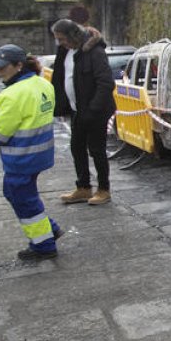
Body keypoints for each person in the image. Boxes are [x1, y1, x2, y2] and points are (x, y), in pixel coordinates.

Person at [0, 44, 63, 260]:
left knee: (20, 197)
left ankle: (44, 244)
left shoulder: (12, 95)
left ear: (18, 66)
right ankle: (50, 229)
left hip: (21, 157)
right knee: (24, 195)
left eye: (2, 67)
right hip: (41, 153)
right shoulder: (43, 84)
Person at [49, 18, 116, 205]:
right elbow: (61, 78)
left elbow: (106, 83)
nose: (59, 43)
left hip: (96, 111)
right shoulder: (66, 51)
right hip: (77, 109)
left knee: (97, 150)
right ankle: (84, 188)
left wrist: (93, 109)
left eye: (61, 39)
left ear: (72, 36)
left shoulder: (94, 51)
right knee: (77, 148)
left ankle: (104, 189)